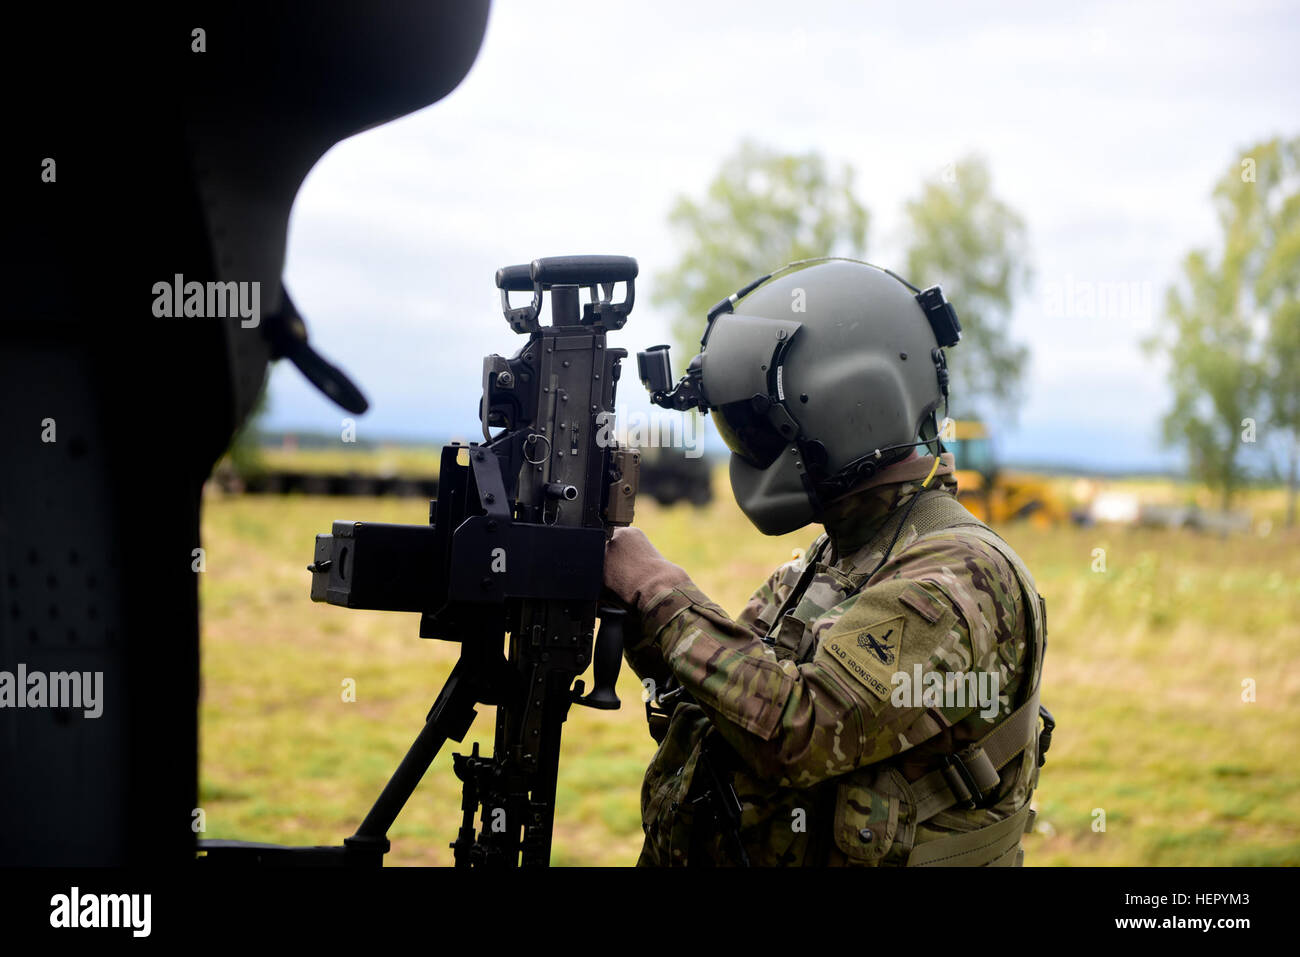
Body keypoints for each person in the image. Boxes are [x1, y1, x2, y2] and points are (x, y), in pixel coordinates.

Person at [604, 258, 1052, 866]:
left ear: (846, 405)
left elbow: (801, 730)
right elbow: (731, 706)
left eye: (759, 429)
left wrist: (658, 588)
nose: (747, 453)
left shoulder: (954, 577)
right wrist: (628, 611)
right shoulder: (837, 557)